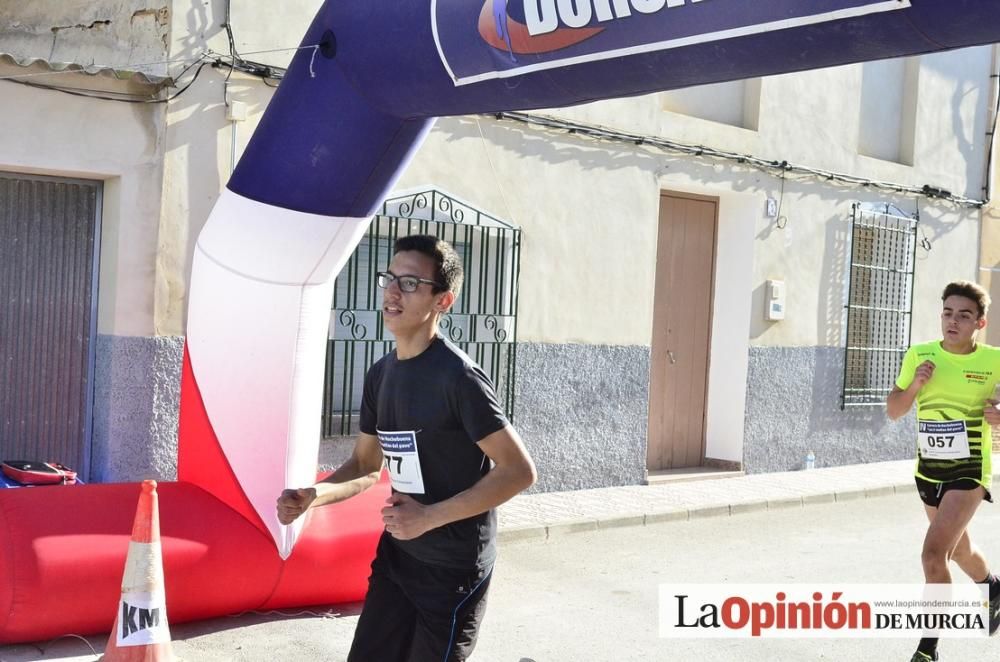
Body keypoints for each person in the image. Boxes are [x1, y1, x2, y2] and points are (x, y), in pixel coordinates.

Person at [276, 234, 537, 661]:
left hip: (453, 567)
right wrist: (313, 495)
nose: (392, 291)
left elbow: (518, 470)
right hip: (398, 555)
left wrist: (429, 517)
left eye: (411, 282)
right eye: (390, 278)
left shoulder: (460, 379)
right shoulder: (381, 375)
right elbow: (365, 464)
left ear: (443, 301)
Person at [887, 280, 1000, 661]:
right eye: (948, 312)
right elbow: (894, 410)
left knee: (934, 556)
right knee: (959, 549)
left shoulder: (993, 360)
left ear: (979, 324)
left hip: (969, 471)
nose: (953, 321)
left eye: (964, 315)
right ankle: (993, 587)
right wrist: (917, 384)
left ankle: (928, 648)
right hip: (929, 472)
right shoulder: (919, 355)